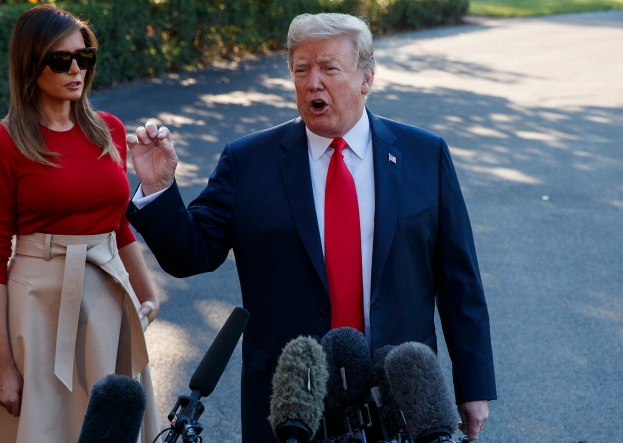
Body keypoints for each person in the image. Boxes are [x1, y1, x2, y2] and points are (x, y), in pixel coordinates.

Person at [125, 12, 496, 443]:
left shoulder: (424, 155)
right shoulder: (248, 162)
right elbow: (191, 254)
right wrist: (159, 187)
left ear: (366, 79)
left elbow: (459, 281)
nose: (313, 82)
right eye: (302, 70)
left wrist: (473, 388)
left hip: (398, 395)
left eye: (329, 69)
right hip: (290, 401)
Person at [0, 5, 160, 442]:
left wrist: (146, 291)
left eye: (84, 57)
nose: (77, 69)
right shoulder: (2, 144)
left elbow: (118, 221)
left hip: (108, 300)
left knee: (111, 425)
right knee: (45, 427)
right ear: (30, 64)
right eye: (61, 59)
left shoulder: (108, 129)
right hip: (38, 307)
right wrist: (1, 364)